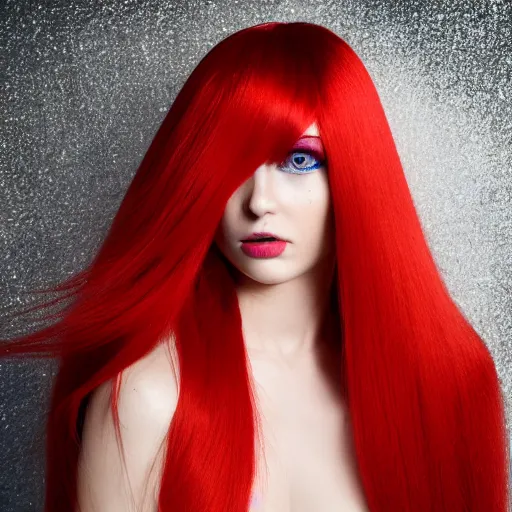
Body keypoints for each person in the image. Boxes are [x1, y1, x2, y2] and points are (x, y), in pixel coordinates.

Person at [0, 21, 509, 512]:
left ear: (357, 170)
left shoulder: (449, 384)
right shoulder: (148, 400)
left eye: (299, 160)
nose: (258, 201)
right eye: (230, 165)